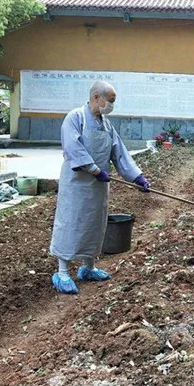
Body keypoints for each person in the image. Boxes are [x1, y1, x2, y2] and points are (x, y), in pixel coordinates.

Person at [49, 80, 150, 294]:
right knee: (72, 222)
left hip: (98, 187)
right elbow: (72, 147)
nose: (111, 106)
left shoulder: (106, 124)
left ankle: (89, 267)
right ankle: (63, 271)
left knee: (94, 224)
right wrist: (94, 170)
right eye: (110, 101)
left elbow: (118, 152)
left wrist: (137, 177)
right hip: (77, 184)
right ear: (97, 97)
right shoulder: (76, 118)